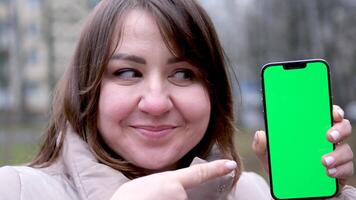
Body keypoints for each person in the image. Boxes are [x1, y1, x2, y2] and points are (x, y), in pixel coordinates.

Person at [0, 0, 355, 199]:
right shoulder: (16, 190)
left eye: (184, 74)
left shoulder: (252, 192)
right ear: (87, 88)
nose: (156, 103)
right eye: (127, 73)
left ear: (213, 90)